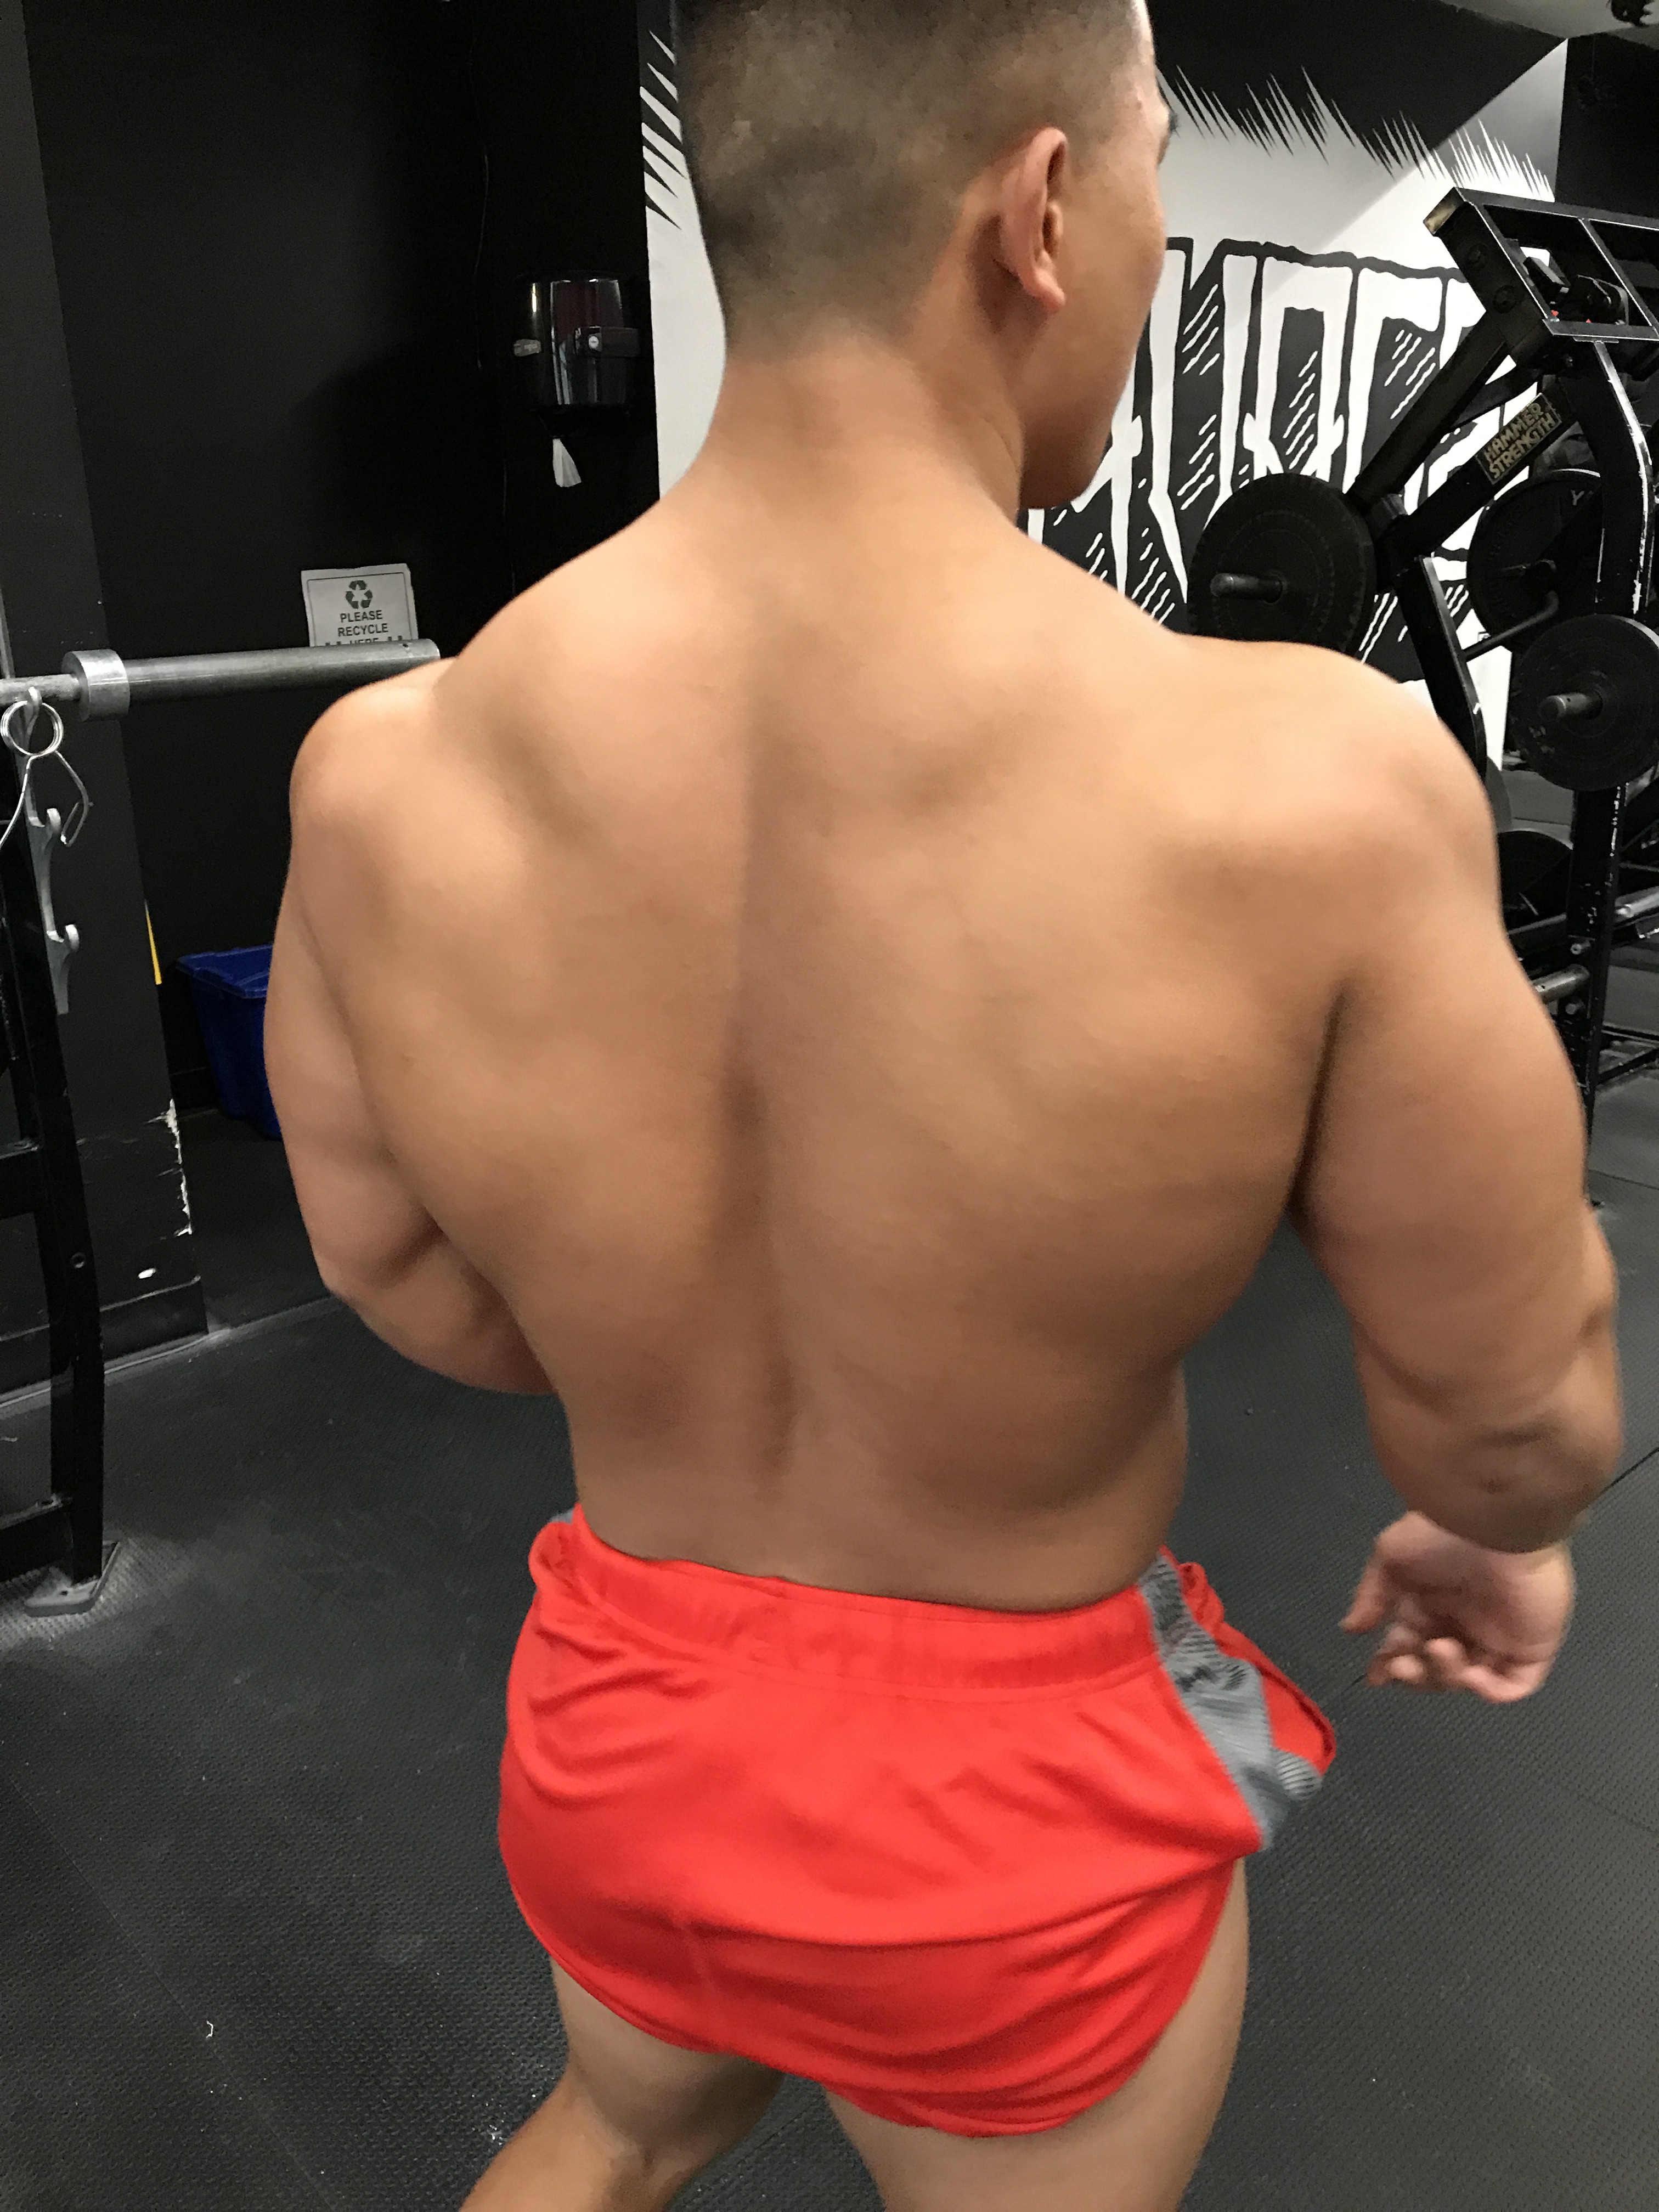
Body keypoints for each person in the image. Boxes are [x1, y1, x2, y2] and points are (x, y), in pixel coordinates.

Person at [264, 0, 1623, 2204]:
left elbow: (398, 1269)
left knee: (617, 2128)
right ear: (1045, 211)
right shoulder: (1315, 785)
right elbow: (1513, 1401)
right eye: (1159, 169)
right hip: (1008, 1826)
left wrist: (675, 1366)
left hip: (627, 1732)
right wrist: (1501, 1534)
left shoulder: (385, 776)